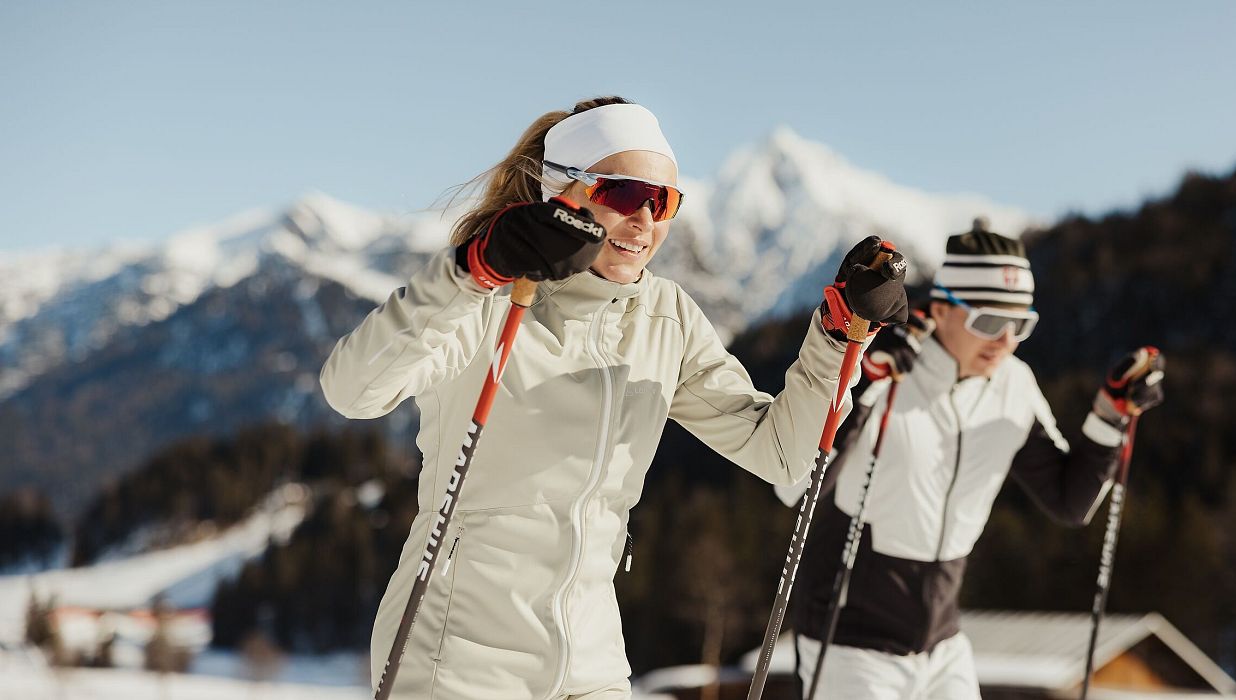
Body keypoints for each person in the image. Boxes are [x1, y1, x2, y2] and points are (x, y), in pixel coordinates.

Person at [319, 96, 909, 699]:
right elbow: (351, 390)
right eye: (625, 194)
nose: (645, 220)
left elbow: (782, 454)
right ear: (562, 190)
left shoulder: (666, 316)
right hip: (455, 657)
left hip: (590, 660)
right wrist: (476, 270)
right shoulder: (485, 298)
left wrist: (838, 336)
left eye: (664, 202)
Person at [785, 221, 1165, 699]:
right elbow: (793, 485)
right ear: (941, 308)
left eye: (1020, 325)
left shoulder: (1013, 385)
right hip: (847, 642)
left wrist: (1110, 415)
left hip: (942, 643)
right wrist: (865, 382)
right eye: (989, 321)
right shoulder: (883, 364)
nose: (1005, 340)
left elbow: (1070, 501)